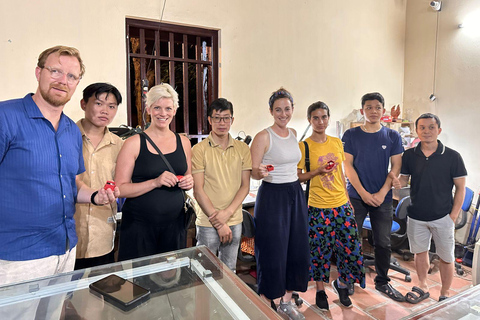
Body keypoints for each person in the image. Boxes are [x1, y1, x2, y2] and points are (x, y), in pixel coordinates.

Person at [0, 46, 118, 285]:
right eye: (55, 71)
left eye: (71, 76)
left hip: (65, 249)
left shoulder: (70, 130)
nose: (63, 81)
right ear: (38, 72)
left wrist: (96, 196)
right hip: (18, 257)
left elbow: (72, 184)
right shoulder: (6, 116)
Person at [297, 101, 365, 310]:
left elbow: (342, 173)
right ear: (310, 120)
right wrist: (317, 171)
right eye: (315, 118)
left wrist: (347, 200)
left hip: (341, 204)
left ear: (328, 118)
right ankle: (320, 290)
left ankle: (342, 285)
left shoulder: (336, 142)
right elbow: (298, 177)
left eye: (324, 117)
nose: (320, 121)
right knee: (319, 252)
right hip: (317, 206)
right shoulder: (304, 146)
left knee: (350, 249)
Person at [115, 83, 193, 261]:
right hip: (139, 227)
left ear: (175, 110)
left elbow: (188, 175)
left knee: (173, 280)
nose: (163, 113)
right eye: (157, 108)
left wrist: (189, 182)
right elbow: (120, 188)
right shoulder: (133, 143)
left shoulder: (184, 142)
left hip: (175, 225)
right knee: (143, 282)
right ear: (148, 109)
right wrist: (155, 182)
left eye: (168, 108)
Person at [250, 88, 309, 320]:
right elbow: (254, 172)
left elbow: (293, 167)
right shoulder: (263, 136)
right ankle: (267, 301)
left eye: (287, 109)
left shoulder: (294, 133)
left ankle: (286, 301)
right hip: (272, 197)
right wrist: (260, 171)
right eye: (278, 110)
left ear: (292, 109)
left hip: (295, 193)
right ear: (271, 111)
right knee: (272, 250)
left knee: (296, 248)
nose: (283, 114)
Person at [341, 92, 405, 302]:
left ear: (383, 111)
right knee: (351, 239)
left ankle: (382, 281)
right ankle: (348, 279)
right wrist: (363, 193)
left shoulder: (392, 136)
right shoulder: (351, 135)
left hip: (383, 197)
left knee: (384, 243)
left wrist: (382, 192)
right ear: (362, 111)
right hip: (356, 196)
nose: (373, 111)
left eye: (377, 107)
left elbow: (396, 166)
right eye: (369, 107)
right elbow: (347, 165)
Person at [398, 113, 466, 303]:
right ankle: (423, 284)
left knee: (446, 257)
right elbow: (403, 179)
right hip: (416, 215)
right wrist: (393, 180)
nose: (426, 131)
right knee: (420, 253)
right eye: (422, 127)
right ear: (416, 130)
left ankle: (445, 292)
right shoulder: (409, 155)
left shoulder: (453, 156)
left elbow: (460, 188)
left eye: (431, 127)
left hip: (443, 216)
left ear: (439, 130)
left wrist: (452, 216)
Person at [192, 98, 252, 271]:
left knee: (230, 272)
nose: (222, 123)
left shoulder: (242, 149)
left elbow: (245, 186)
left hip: (234, 219)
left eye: (226, 118)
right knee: (204, 272)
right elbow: (198, 190)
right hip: (208, 221)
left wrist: (227, 214)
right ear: (209, 120)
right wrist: (219, 222)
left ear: (232, 120)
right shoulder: (199, 150)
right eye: (217, 118)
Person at [74, 83, 124, 270]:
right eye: (99, 104)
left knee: (98, 293)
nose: (105, 111)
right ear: (83, 104)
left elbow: (122, 182)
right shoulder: (65, 136)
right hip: (69, 235)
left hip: (102, 233)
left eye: (111, 106)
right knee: (64, 297)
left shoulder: (119, 145)